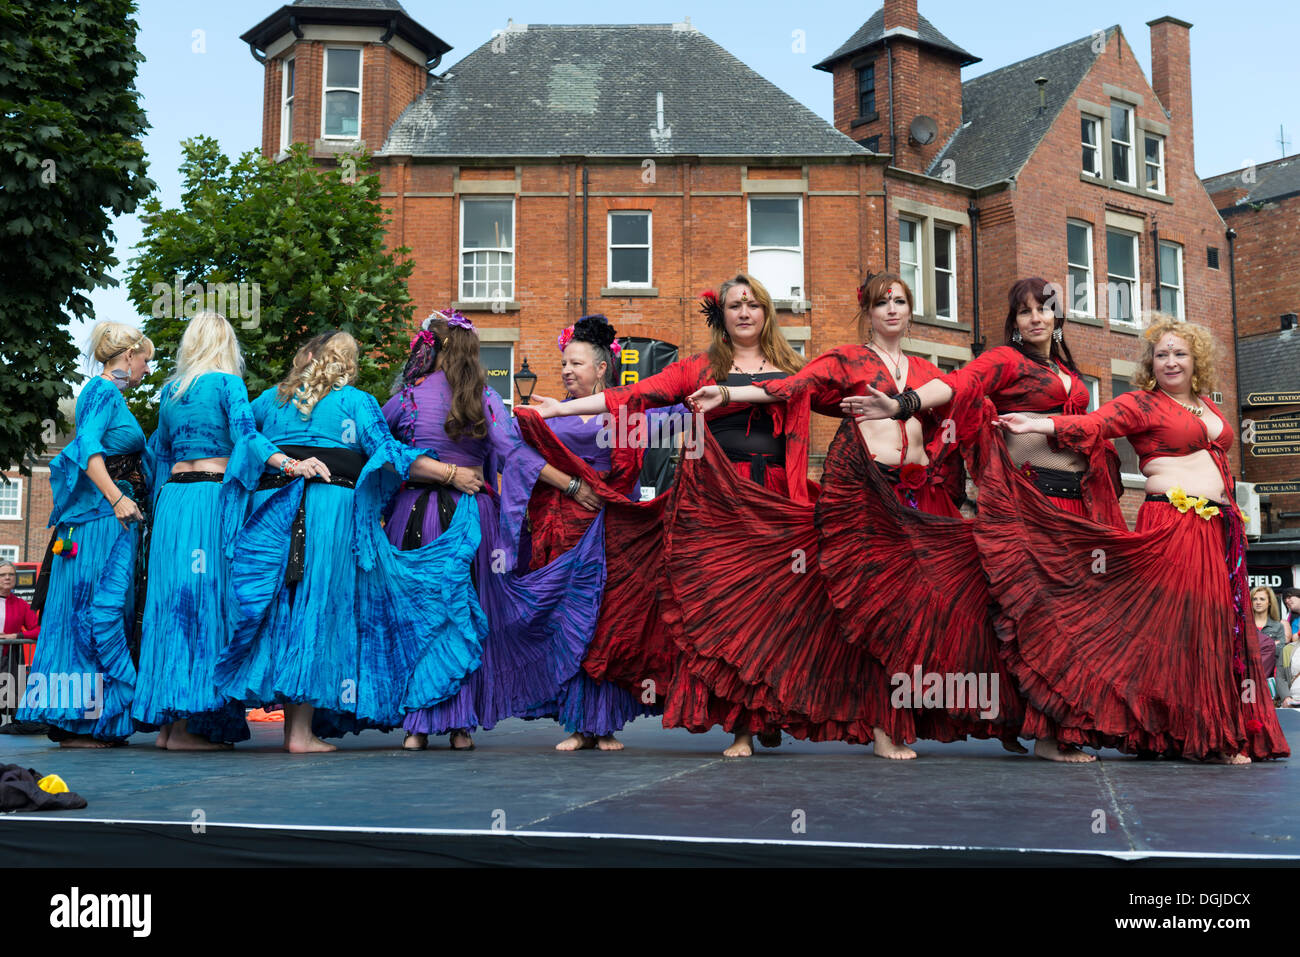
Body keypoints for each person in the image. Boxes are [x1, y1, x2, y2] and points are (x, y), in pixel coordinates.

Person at [686, 273, 1023, 757]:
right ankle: (883, 727)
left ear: (910, 310)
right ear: (868, 311)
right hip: (866, 498)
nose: (891, 309)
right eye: (882, 302)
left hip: (920, 497)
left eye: (900, 301)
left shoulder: (927, 371)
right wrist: (729, 394)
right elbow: (790, 386)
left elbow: (965, 403)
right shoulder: (847, 359)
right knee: (875, 612)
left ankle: (962, 711)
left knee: (936, 607)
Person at [531, 273, 826, 758]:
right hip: (716, 500)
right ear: (723, 316)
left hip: (774, 497)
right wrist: (557, 413)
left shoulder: (792, 366)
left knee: (775, 609)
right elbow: (631, 397)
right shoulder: (701, 367)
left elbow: (821, 394)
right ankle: (743, 728)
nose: (744, 312)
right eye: (734, 305)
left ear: (766, 311)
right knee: (730, 610)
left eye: (752, 304)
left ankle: (770, 709)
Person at [994, 318, 1289, 762]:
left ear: (1196, 361)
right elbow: (1093, 424)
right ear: (1151, 362)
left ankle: (1197, 731)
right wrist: (1040, 425)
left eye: (1180, 353)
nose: (1171, 361)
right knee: (1182, 628)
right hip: (1172, 523)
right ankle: (1195, 735)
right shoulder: (1142, 404)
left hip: (1218, 530)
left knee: (1216, 628)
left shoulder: (1207, 405)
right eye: (1162, 354)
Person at [215, 330, 484, 751]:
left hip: (273, 512)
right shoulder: (357, 403)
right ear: (349, 364)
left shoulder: (271, 400)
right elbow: (389, 454)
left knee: (278, 609)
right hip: (328, 510)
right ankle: (300, 734)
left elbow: (241, 440)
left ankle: (292, 726)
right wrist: (449, 472)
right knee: (317, 608)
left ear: (309, 357)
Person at [386, 311, 599, 752]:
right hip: (471, 516)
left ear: (435, 346)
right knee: (470, 615)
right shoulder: (485, 398)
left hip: (414, 516)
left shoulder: (406, 398)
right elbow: (517, 456)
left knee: (424, 614)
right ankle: (460, 727)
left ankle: (417, 727)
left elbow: (381, 450)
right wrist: (572, 484)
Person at [132, 312, 325, 750]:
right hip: (209, 501)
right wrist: (292, 464)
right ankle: (183, 731)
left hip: (173, 505)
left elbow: (158, 452)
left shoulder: (170, 392)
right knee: (206, 609)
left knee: (170, 610)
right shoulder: (227, 384)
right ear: (226, 345)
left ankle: (168, 728)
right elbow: (247, 438)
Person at [844, 277, 1124, 526]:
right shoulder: (1007, 359)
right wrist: (902, 404)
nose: (1036, 318)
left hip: (1082, 496)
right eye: (1025, 312)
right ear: (1015, 323)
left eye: (1044, 308)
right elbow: (960, 382)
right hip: (1034, 500)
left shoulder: (1066, 370)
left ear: (1057, 317)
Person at [510, 315, 656, 751]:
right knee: (571, 620)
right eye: (564, 365)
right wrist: (573, 483)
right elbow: (522, 462)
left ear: (601, 369)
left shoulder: (623, 411)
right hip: (563, 532)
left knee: (605, 621)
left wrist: (606, 491)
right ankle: (577, 723)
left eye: (576, 364)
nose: (567, 371)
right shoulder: (549, 416)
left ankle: (604, 724)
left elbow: (634, 459)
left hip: (608, 530)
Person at [16, 322, 152, 746]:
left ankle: (90, 721)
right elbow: (86, 449)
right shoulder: (103, 391)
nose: (148, 369)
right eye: (146, 359)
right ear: (128, 356)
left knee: (92, 616)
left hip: (100, 524)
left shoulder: (107, 394)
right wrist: (116, 499)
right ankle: (82, 721)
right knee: (93, 617)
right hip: (96, 524)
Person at [0, 561, 41, 731]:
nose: (7, 578)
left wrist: (17, 636)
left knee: (9, 698)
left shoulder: (21, 605)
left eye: (11, 574)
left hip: (8, 658)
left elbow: (39, 629)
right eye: (3, 575)